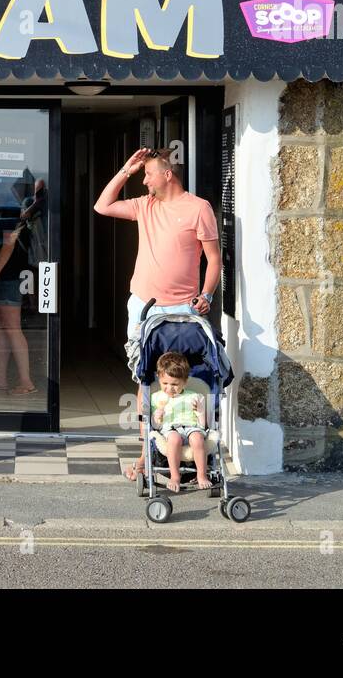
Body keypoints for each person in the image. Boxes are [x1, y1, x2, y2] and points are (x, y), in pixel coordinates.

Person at [94, 146, 220, 480]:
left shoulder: (198, 208)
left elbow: (214, 259)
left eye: (148, 174)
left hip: (182, 309)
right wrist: (127, 169)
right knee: (145, 377)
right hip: (143, 305)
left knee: (183, 377)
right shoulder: (145, 205)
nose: (144, 180)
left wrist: (207, 295)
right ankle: (145, 453)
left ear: (168, 174)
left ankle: (188, 446)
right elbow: (102, 205)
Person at [0, 176, 47, 395]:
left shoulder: (8, 212)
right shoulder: (2, 213)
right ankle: (0, 378)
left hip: (8, 277)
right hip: (1, 278)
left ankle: (26, 382)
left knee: (12, 328)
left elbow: (8, 246)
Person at [150, 351, 212, 492]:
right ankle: (175, 476)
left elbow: (203, 425)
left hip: (191, 427)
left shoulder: (195, 396)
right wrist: (157, 416)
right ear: (159, 378)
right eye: (165, 383)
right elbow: (155, 427)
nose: (169, 388)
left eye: (175, 384)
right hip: (170, 429)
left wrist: (200, 411)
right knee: (174, 438)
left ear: (185, 382)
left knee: (197, 438)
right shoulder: (156, 397)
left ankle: (201, 475)